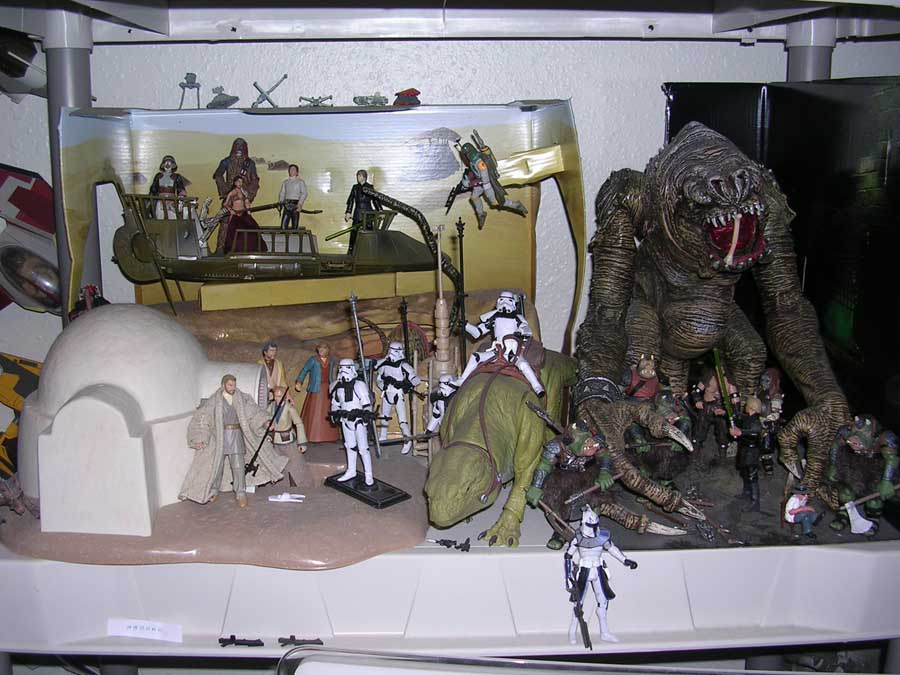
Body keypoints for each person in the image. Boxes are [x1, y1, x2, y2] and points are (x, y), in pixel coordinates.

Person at [180, 374, 287, 508]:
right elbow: (204, 418)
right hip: (220, 437)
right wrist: (200, 437)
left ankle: (240, 492)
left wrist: (265, 422)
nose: (233, 387)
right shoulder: (214, 401)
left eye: (234, 385)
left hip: (236, 436)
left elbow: (253, 413)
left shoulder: (242, 398)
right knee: (217, 466)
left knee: (238, 466)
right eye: (230, 385)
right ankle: (214, 490)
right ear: (223, 385)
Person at [564, 505, 638, 645]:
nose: (593, 528)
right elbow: (568, 556)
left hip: (598, 569)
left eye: (594, 525)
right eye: (590, 525)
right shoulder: (578, 538)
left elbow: (612, 548)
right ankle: (572, 631)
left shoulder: (601, 536)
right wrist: (568, 577)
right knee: (578, 603)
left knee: (603, 601)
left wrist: (625, 560)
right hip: (584, 570)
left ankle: (604, 632)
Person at [456, 290, 544, 396]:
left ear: (513, 303)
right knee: (476, 357)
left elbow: (527, 330)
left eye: (508, 300)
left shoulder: (517, 319)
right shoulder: (494, 319)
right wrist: (466, 326)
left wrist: (520, 332)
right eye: (501, 300)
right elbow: (478, 332)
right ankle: (462, 380)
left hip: (512, 352)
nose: (504, 303)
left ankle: (537, 386)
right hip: (497, 351)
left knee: (523, 364)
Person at [330, 359, 375, 486]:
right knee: (349, 446)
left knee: (363, 448)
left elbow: (366, 403)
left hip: (358, 420)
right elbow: (335, 403)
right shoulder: (337, 386)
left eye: (346, 367)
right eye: (341, 368)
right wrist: (335, 414)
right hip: (345, 420)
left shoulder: (359, 385)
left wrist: (366, 414)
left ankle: (368, 474)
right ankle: (351, 471)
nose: (343, 370)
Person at [375, 341, 423, 454]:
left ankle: (407, 440)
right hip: (387, 393)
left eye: (395, 351)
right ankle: (383, 436)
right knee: (384, 417)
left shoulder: (403, 366)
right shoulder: (385, 364)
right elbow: (379, 379)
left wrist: (405, 385)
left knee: (402, 421)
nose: (392, 353)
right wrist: (384, 385)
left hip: (398, 394)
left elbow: (416, 379)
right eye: (391, 350)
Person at [295, 342, 340, 443]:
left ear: (328, 350)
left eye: (324, 348)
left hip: (328, 388)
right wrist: (299, 381)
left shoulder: (332, 360)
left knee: (330, 410)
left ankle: (331, 436)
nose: (321, 351)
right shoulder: (313, 360)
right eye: (320, 349)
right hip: (316, 389)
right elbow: (304, 370)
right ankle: (312, 435)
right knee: (314, 412)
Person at [730, 396, 765, 511]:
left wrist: (741, 432)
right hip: (745, 450)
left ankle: (755, 502)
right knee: (745, 472)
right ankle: (746, 492)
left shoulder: (755, 421)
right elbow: (739, 417)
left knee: (752, 475)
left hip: (752, 452)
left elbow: (755, 432)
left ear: (750, 407)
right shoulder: (748, 418)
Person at [220, 176, 265, 254]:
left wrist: (249, 212)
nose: (240, 183)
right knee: (235, 234)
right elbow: (225, 203)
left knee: (252, 230)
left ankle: (252, 250)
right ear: (235, 183)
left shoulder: (244, 192)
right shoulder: (233, 192)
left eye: (241, 182)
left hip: (244, 213)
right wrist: (231, 210)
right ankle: (235, 251)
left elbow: (247, 203)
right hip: (236, 215)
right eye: (238, 181)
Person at [344, 169, 383, 250]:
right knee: (354, 231)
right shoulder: (355, 187)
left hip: (368, 212)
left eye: (359, 176)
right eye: (357, 176)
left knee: (369, 231)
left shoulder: (370, 187)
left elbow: (375, 200)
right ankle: (351, 248)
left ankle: (371, 249)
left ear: (364, 177)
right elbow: (351, 200)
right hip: (358, 212)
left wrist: (380, 210)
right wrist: (348, 212)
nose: (358, 177)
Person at [213, 137, 259, 202]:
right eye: (237, 146)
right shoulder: (226, 161)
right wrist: (225, 191)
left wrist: (248, 193)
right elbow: (218, 175)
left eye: (241, 147)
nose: (239, 149)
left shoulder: (250, 163)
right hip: (230, 196)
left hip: (243, 197)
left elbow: (255, 180)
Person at [268, 385, 308, 454]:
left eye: (279, 396)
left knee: (292, 457)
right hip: (274, 439)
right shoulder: (271, 406)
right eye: (275, 396)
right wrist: (267, 423)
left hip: (287, 440)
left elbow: (299, 424)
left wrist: (302, 443)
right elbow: (264, 416)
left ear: (284, 397)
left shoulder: (289, 408)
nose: (277, 399)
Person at [148, 154, 188, 219]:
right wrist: (150, 198)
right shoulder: (158, 176)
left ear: (173, 165)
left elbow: (181, 189)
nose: (167, 165)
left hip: (172, 201)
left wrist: (181, 198)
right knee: (159, 216)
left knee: (172, 217)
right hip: (160, 201)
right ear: (163, 165)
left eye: (169, 163)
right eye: (166, 163)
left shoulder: (177, 177)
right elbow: (153, 189)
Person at [278, 164, 308, 230]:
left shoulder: (300, 182)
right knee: (283, 226)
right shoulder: (285, 182)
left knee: (295, 225)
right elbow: (282, 193)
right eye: (290, 169)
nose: (292, 171)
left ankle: (295, 235)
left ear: (297, 172)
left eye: (294, 169)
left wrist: (300, 204)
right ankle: (283, 235)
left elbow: (304, 193)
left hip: (295, 205)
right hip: (286, 205)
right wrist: (280, 203)